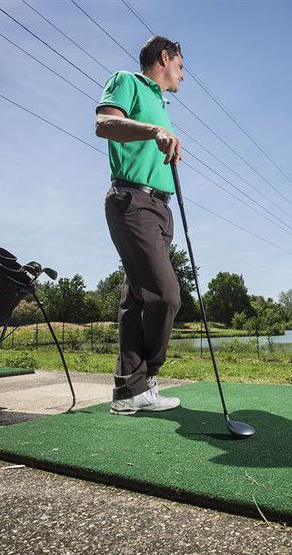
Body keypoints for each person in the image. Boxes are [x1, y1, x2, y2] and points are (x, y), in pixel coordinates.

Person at [95, 35, 184, 415]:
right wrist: (154, 132)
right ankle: (147, 379)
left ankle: (129, 392)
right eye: (180, 66)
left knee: (136, 302)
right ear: (165, 57)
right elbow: (104, 123)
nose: (183, 75)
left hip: (160, 207)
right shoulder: (127, 81)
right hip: (133, 201)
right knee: (166, 295)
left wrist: (166, 145)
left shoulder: (162, 104)